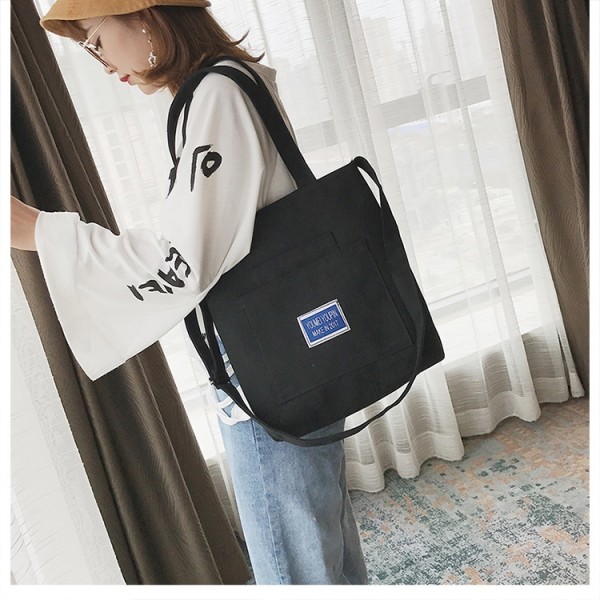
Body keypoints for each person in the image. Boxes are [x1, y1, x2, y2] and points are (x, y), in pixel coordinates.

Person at [11, 0, 369, 585]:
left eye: (96, 42)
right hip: (294, 338)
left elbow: (185, 259)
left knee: (292, 560)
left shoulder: (216, 96)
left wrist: (43, 232)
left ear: (144, 14)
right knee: (319, 534)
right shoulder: (231, 82)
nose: (102, 64)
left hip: (265, 359)